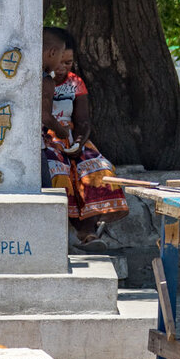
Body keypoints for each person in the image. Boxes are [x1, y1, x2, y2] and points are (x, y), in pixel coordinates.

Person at [41, 29, 128, 252]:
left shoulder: (76, 83)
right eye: (60, 62)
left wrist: (79, 142)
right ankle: (61, 235)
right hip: (47, 136)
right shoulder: (42, 80)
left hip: (70, 137)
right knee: (58, 172)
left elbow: (83, 120)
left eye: (68, 63)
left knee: (98, 170)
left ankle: (87, 233)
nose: (62, 68)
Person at [40, 27, 68, 189]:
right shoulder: (46, 81)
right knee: (44, 190)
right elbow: (45, 116)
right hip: (35, 147)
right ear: (52, 52)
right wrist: (61, 131)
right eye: (60, 55)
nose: (60, 62)